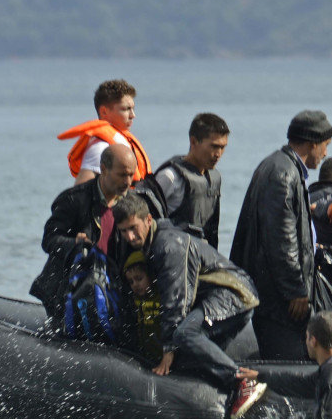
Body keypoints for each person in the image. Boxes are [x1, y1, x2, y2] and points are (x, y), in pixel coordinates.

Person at [110, 194, 267, 419]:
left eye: (133, 228)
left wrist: (167, 349)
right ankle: (224, 392)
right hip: (216, 297)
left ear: (148, 220)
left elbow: (177, 299)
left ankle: (241, 381)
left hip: (233, 293)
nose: (130, 236)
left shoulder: (168, 245)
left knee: (185, 334)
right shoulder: (152, 243)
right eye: (123, 231)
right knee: (188, 355)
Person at [231, 110, 332, 359]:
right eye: (325, 146)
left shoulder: (281, 166)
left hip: (274, 291)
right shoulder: (283, 174)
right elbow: (281, 239)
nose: (326, 154)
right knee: (288, 361)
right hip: (279, 299)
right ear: (312, 144)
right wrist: (295, 290)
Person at [30, 143, 140, 321]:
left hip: (112, 291)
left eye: (131, 175)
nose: (128, 182)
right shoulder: (74, 200)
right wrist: (73, 243)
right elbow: (49, 240)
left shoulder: (132, 204)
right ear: (103, 169)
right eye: (122, 175)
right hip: (67, 290)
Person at [140, 112, 228, 248]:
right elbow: (142, 221)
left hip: (204, 258)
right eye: (214, 146)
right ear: (193, 141)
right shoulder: (170, 176)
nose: (218, 154)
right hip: (172, 257)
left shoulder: (214, 178)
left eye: (223, 147)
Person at [58, 78, 150, 184]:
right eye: (126, 109)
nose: (133, 115)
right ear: (104, 112)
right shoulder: (100, 146)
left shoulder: (120, 138)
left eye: (133, 109)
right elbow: (81, 192)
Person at [121, 251, 167, 366]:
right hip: (148, 355)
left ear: (150, 276)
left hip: (164, 355)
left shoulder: (162, 297)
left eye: (139, 278)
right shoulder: (135, 302)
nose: (135, 284)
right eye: (131, 282)